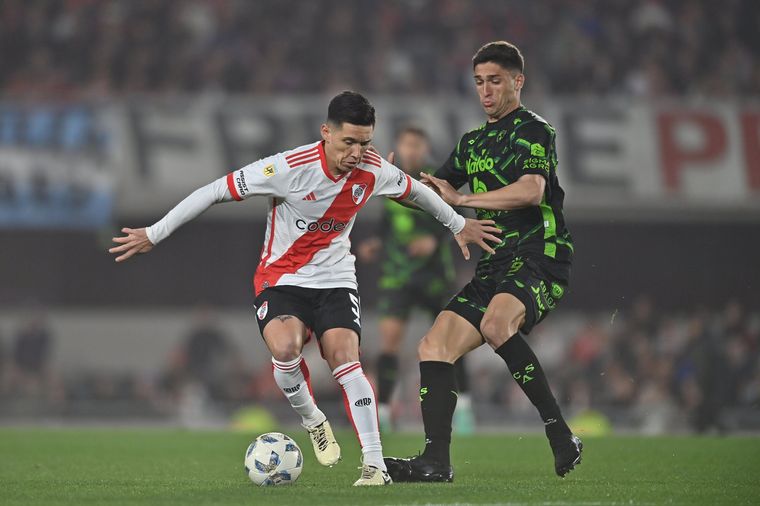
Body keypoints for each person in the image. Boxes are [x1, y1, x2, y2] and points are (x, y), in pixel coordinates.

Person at [109, 91, 501, 486]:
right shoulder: (287, 168)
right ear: (326, 133)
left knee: (346, 358)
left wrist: (458, 223)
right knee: (284, 348)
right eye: (349, 142)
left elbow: (416, 192)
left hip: (335, 279)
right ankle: (313, 418)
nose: (357, 152)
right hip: (281, 278)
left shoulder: (373, 167)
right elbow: (213, 191)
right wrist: (154, 234)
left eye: (365, 142)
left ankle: (375, 464)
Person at [384, 41, 582, 482]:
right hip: (494, 266)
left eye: (495, 81)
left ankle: (559, 432)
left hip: (540, 255)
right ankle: (435, 461)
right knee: (432, 346)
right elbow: (436, 193)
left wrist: (464, 199)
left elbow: (532, 190)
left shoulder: (534, 131)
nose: (486, 91)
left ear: (518, 81)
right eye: (479, 82)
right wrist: (392, 182)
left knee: (496, 326)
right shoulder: (472, 142)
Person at [357, 126, 474, 433]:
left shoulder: (436, 178)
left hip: (434, 275)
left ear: (425, 148)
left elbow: (454, 216)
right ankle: (383, 412)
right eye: (407, 144)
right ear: (399, 144)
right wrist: (377, 242)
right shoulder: (390, 176)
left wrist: (435, 241)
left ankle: (464, 408)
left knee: (450, 341)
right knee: (389, 344)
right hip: (397, 276)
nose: (411, 150)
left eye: (417, 145)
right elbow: (389, 221)